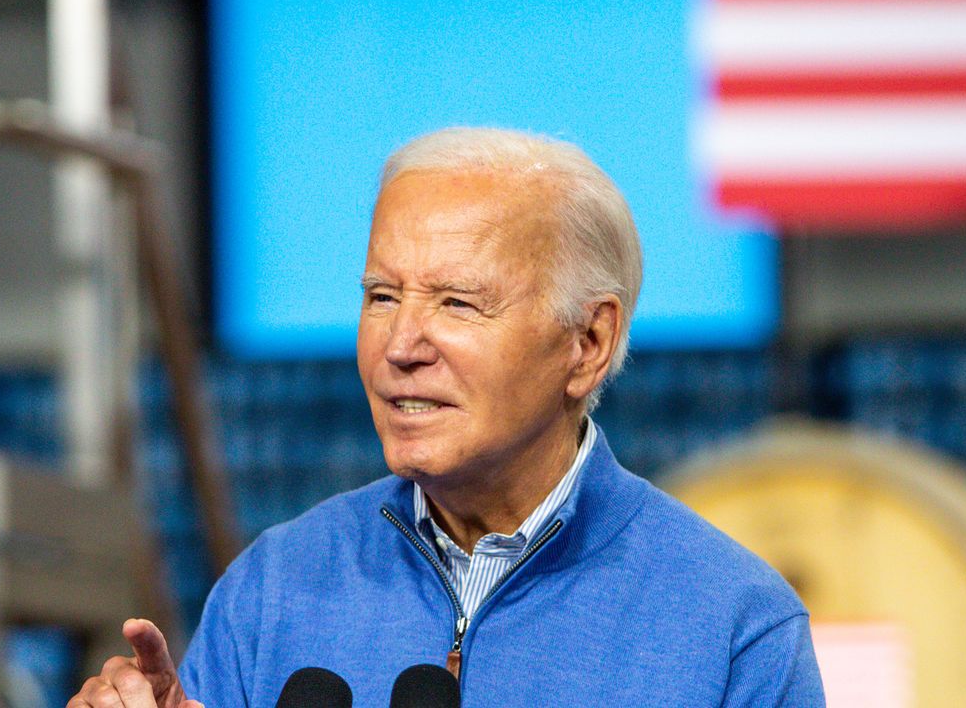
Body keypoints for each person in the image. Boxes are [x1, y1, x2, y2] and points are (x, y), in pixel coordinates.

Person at [69, 127, 823, 708]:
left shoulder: (734, 627)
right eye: (381, 296)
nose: (400, 345)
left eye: (458, 303)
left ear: (588, 344)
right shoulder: (272, 588)